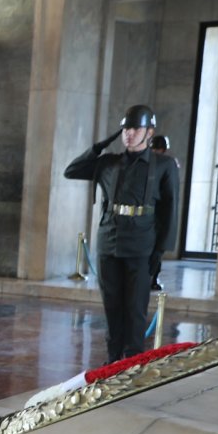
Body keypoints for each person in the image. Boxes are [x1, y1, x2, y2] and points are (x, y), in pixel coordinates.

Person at [64, 104, 178, 364]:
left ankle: (133, 361)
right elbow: (71, 171)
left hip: (141, 244)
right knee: (112, 306)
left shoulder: (164, 165)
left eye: (135, 128)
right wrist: (98, 146)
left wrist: (160, 251)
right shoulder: (108, 162)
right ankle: (113, 358)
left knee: (135, 308)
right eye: (125, 129)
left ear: (149, 132)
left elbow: (170, 210)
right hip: (109, 242)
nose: (129, 134)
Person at [149, 134, 179, 292]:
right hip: (152, 216)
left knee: (156, 252)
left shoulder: (168, 165)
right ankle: (150, 278)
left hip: (159, 216)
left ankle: (152, 278)